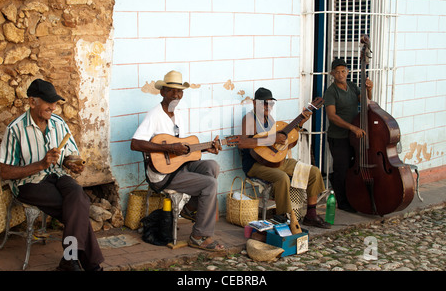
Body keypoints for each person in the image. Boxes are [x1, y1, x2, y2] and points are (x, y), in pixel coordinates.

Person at [0, 79, 104, 271]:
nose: (53, 107)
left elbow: (70, 155)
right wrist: (40, 164)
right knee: (76, 208)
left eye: (55, 102)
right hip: (28, 184)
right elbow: (5, 172)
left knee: (77, 195)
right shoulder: (16, 129)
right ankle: (91, 265)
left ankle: (69, 261)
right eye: (48, 102)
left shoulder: (58, 123)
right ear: (32, 102)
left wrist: (73, 164)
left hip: (57, 176)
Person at [131, 70, 225, 252]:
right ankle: (198, 236)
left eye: (179, 91)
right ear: (162, 92)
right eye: (172, 91)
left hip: (178, 167)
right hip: (162, 174)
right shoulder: (154, 115)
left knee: (212, 166)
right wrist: (168, 148)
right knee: (209, 184)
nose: (176, 95)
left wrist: (206, 148)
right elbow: (135, 144)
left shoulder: (178, 115)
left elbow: (183, 150)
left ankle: (190, 208)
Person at [236, 87, 330, 230]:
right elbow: (243, 143)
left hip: (275, 161)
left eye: (270, 103)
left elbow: (284, 140)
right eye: (264, 103)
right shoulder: (250, 119)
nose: (268, 107)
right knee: (282, 177)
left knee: (314, 172)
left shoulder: (271, 120)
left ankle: (311, 214)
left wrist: (300, 123)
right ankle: (282, 217)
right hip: (255, 165)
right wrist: (272, 139)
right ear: (255, 103)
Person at [323, 58, 373, 212]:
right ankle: (343, 202)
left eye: (343, 71)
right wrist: (352, 127)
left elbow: (365, 101)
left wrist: (369, 89)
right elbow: (332, 116)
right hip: (338, 137)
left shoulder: (351, 86)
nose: (340, 74)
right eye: (337, 72)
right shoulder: (331, 91)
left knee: (352, 167)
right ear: (332, 74)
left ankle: (353, 196)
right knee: (342, 169)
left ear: (348, 72)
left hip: (353, 135)